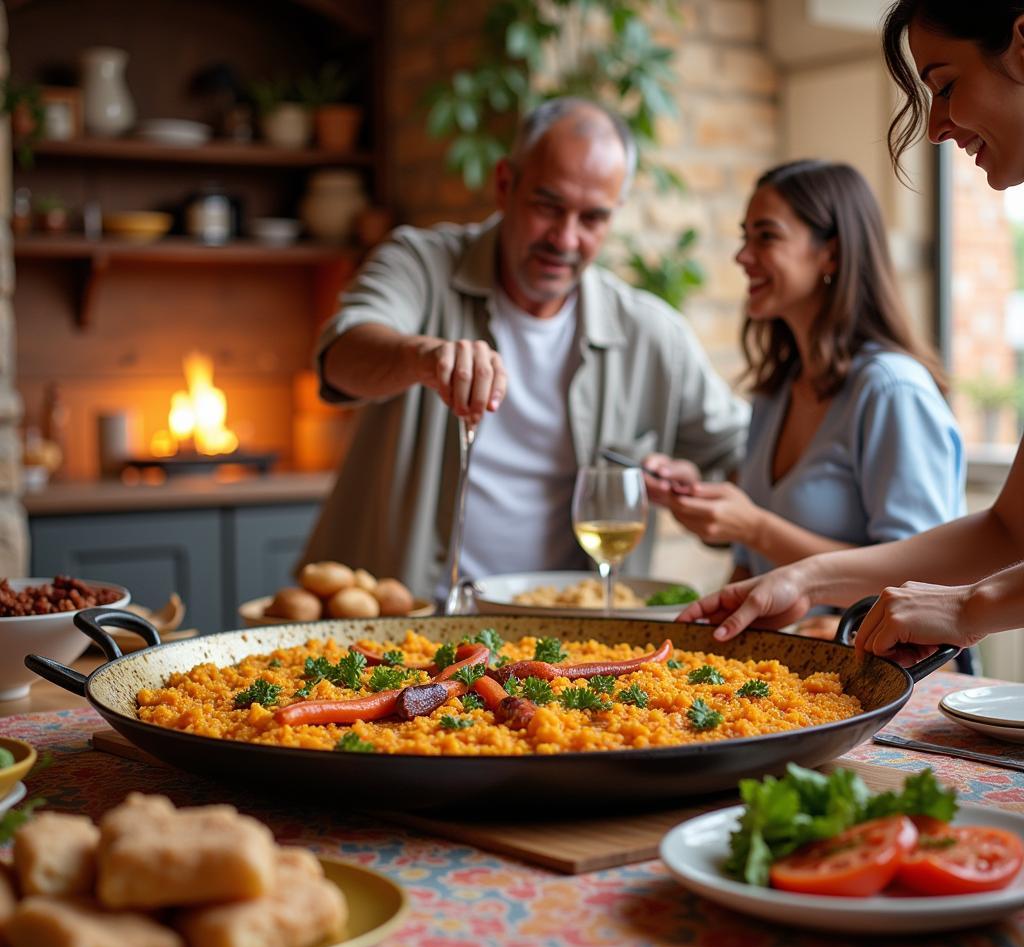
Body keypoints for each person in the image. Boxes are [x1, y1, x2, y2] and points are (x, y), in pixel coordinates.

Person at [678, 1, 1024, 666]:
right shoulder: (776, 390)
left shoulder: (888, 386)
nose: (934, 126)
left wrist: (967, 609)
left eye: (946, 85)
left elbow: (961, 576)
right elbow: (1010, 527)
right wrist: (804, 578)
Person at [302, 97, 749, 599]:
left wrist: (694, 486)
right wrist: (422, 357)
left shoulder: (651, 332)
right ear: (504, 184)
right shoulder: (421, 263)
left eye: (592, 219)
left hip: (563, 646)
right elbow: (341, 354)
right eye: (547, 206)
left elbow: (743, 458)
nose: (565, 238)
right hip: (398, 626)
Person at [645, 159, 964, 640]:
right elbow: (750, 571)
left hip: (882, 675)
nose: (742, 256)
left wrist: (754, 527)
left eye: (765, 237)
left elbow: (929, 583)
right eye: (743, 236)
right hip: (784, 671)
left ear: (830, 254)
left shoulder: (890, 390)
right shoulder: (775, 392)